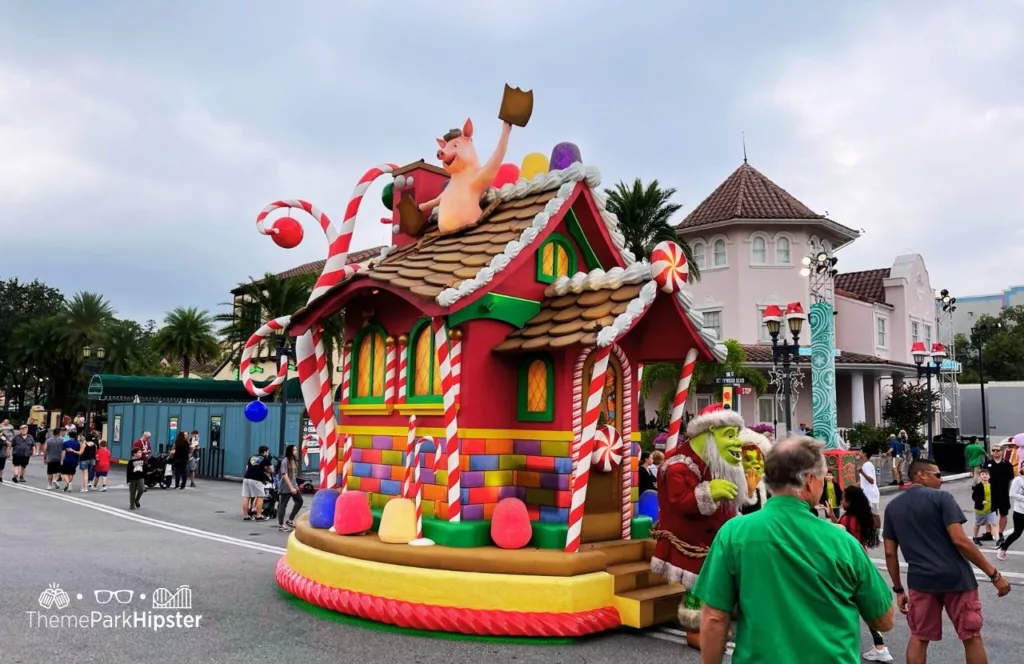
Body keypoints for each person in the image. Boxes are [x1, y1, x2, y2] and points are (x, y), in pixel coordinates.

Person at [691, 436, 894, 664]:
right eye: (821, 476)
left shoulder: (733, 533)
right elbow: (884, 620)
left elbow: (714, 617)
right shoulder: (842, 542)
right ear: (808, 481)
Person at [883, 458, 1011, 664]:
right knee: (971, 637)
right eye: (938, 475)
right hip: (957, 579)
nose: (941, 480)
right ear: (921, 475)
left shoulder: (892, 507)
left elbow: (890, 553)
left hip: (921, 582)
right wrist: (994, 574)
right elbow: (960, 540)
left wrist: (898, 590)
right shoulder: (942, 499)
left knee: (919, 636)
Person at [837, 485, 892, 661]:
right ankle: (880, 646)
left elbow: (840, 536)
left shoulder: (847, 519)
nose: (841, 501)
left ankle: (847, 646)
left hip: (847, 564)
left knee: (845, 606)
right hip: (863, 561)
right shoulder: (864, 517)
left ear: (850, 501)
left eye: (843, 498)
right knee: (866, 608)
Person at [981, 445, 1014, 548]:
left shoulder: (1007, 465)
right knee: (989, 513)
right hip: (990, 493)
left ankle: (1000, 533)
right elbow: (983, 478)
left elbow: (1010, 479)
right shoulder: (988, 464)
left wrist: (1007, 491)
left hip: (1003, 493)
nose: (995, 452)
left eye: (997, 450)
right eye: (993, 450)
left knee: (1003, 514)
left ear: (1001, 452)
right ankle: (988, 533)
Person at [996, 459, 1024, 560]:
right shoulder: (1018, 480)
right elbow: (1012, 494)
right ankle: (1003, 548)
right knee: (1017, 533)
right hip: (1020, 511)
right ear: (1021, 467)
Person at [276, 444, 304, 532]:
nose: (296, 451)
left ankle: (290, 520)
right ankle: (281, 525)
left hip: (294, 485)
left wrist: (295, 485)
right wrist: (291, 487)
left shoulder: (294, 460)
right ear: (290, 451)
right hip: (286, 486)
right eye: (294, 450)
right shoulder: (285, 461)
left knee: (299, 501)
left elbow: (294, 475)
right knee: (283, 505)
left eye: (296, 449)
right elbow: (285, 475)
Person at [242, 446, 272, 521]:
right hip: (256, 479)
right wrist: (265, 469)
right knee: (260, 496)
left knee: (246, 497)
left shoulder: (252, 457)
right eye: (267, 452)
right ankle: (258, 515)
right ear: (265, 452)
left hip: (246, 478)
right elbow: (272, 470)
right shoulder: (265, 458)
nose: (268, 453)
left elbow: (246, 468)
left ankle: (246, 516)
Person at [971, 469, 997, 545]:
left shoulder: (992, 485)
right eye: (982, 474)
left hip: (991, 509)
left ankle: (998, 540)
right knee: (978, 524)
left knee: (994, 524)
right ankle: (975, 537)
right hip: (981, 509)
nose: (984, 475)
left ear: (989, 476)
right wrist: (981, 501)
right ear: (979, 476)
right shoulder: (978, 486)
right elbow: (974, 497)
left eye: (986, 474)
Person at [859, 448, 881, 529]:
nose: (859, 453)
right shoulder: (866, 465)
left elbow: (871, 480)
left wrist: (862, 472)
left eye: (861, 452)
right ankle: (873, 532)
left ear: (865, 454)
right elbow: (863, 481)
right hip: (867, 494)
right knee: (870, 515)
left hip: (871, 494)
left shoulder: (867, 465)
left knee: (875, 515)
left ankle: (878, 532)